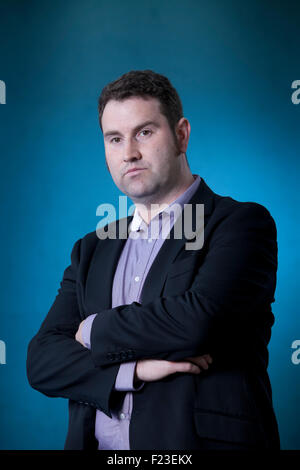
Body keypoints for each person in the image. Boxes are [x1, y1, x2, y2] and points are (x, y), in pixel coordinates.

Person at [26, 70, 280, 450]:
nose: (129, 152)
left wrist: (92, 330)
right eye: (115, 139)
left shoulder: (240, 224)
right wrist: (134, 370)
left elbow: (197, 322)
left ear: (181, 135)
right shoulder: (91, 248)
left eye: (144, 132)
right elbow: (42, 360)